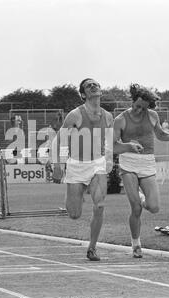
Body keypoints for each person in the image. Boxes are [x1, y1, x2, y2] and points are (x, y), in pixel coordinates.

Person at [51, 78, 122, 261]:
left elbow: (109, 143)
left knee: (99, 205)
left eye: (95, 84)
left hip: (96, 164)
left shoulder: (107, 116)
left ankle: (92, 247)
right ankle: (75, 191)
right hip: (76, 165)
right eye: (88, 85)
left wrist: (109, 160)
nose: (93, 86)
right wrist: (57, 165)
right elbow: (58, 140)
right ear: (83, 94)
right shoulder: (75, 115)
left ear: (100, 90)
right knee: (74, 214)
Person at [113, 83, 169, 258]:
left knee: (153, 207)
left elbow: (160, 135)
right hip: (128, 163)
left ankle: (143, 197)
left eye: (143, 108)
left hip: (147, 162)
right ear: (133, 100)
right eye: (137, 106)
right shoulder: (120, 119)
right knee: (136, 208)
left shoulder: (152, 115)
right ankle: (136, 244)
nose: (139, 110)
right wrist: (128, 145)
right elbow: (114, 147)